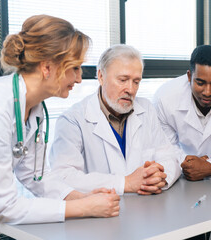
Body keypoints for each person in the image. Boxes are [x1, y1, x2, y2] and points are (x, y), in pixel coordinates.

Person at [0, 15, 120, 225]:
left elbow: (35, 175)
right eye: (74, 68)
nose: (78, 78)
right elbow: (4, 208)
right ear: (47, 67)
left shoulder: (35, 108)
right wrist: (84, 208)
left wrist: (81, 197)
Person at [49, 44, 181, 196]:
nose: (130, 89)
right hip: (99, 212)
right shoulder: (73, 120)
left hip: (146, 207)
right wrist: (125, 183)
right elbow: (64, 176)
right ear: (101, 76)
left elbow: (168, 156)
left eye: (136, 82)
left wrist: (160, 179)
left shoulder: (146, 109)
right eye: (123, 80)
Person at [153, 45, 211, 240]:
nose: (207, 91)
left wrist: (209, 166)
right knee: (183, 230)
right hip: (177, 179)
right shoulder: (165, 98)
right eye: (200, 82)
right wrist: (189, 163)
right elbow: (165, 147)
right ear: (189, 76)